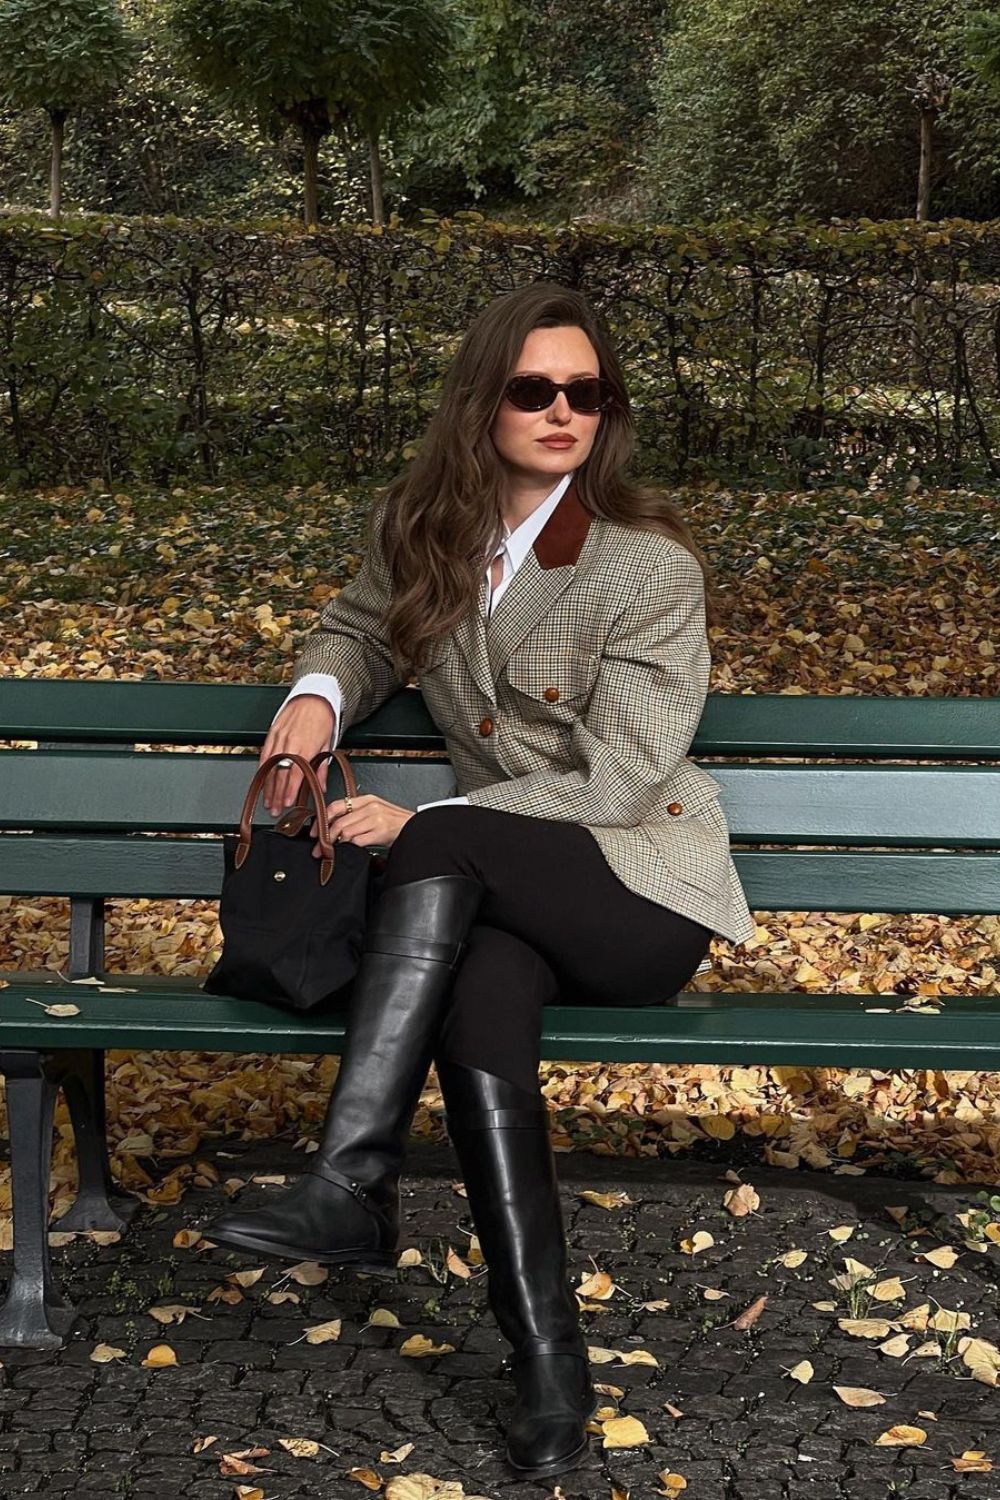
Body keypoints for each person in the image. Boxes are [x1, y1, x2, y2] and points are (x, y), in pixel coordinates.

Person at [203, 282, 756, 1481]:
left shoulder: (642, 566)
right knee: (479, 1005)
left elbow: (620, 777)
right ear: (482, 401)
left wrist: (428, 819)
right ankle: (551, 1380)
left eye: (587, 393)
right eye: (534, 390)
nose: (564, 411)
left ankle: (350, 1179)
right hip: (507, 905)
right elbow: (361, 625)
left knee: (438, 839)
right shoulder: (430, 527)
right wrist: (313, 700)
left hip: (636, 892)